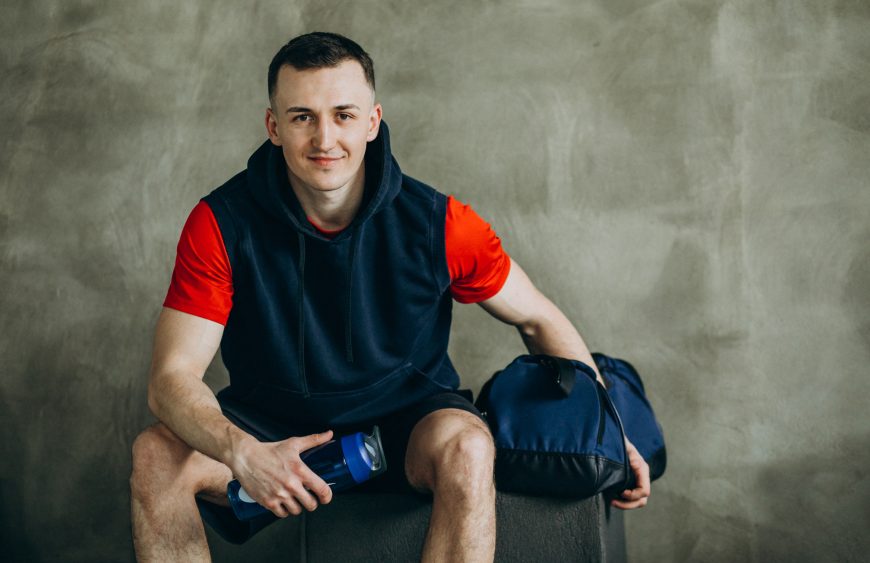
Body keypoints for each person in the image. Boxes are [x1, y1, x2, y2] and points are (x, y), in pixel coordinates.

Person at [129, 31, 650, 562]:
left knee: (469, 447)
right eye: (303, 116)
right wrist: (242, 452)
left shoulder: (441, 223)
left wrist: (613, 431)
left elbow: (538, 316)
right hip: (273, 430)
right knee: (156, 456)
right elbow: (170, 379)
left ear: (374, 121)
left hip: (408, 425)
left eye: (344, 115)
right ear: (274, 127)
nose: (324, 139)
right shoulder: (220, 223)